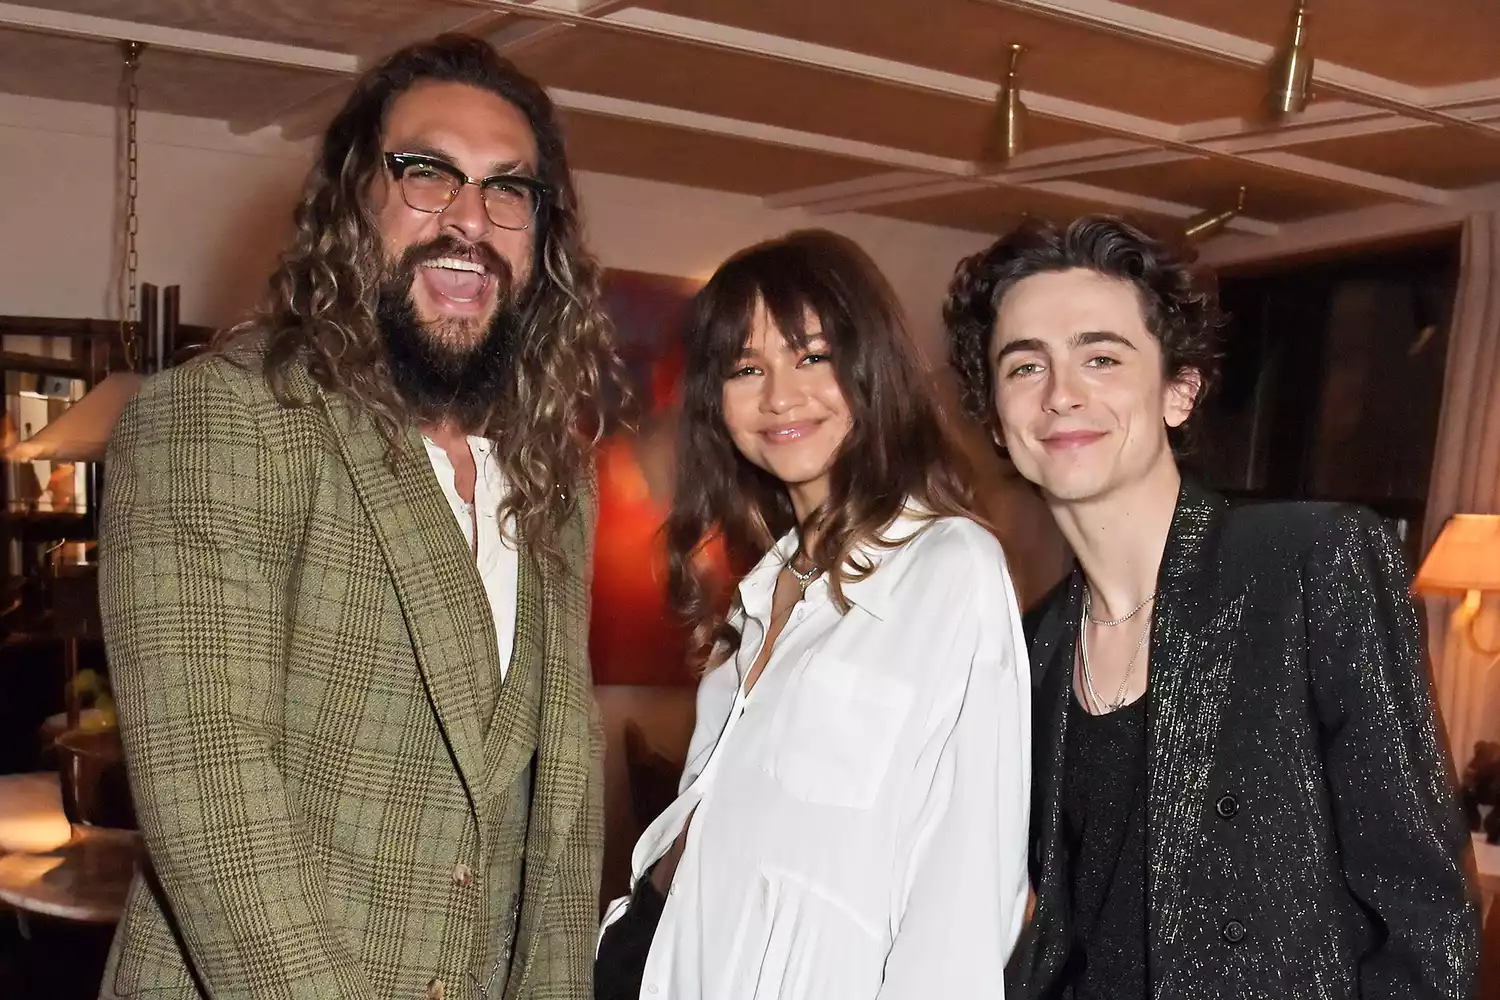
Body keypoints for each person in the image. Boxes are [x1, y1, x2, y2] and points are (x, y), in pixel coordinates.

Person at [97, 35, 621, 1000]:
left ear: (540, 236)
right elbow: (213, 810)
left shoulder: (557, 475)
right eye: (428, 174)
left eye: (509, 190)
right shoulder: (224, 419)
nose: (469, 218)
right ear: (355, 201)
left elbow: (556, 827)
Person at [944, 214, 1480, 999]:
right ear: (996, 417)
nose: (1062, 394)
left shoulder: (1309, 562)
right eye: (1026, 367)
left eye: (1101, 358)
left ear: (1178, 392)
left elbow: (1426, 909)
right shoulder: (1027, 649)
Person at [594, 229, 1032, 1000]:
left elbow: (965, 900)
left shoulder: (949, 568)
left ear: (871, 368)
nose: (780, 397)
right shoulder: (761, 590)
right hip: (653, 961)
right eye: (746, 368)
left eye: (812, 357)